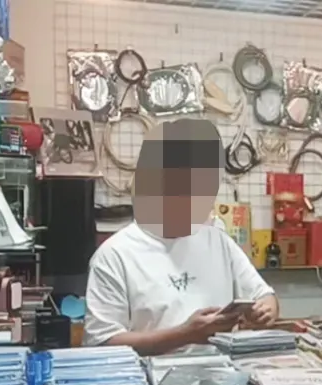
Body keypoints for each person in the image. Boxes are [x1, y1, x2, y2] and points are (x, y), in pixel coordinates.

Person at [85, 119, 279, 356]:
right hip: (151, 377)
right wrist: (185, 334)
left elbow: (264, 295)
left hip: (221, 373)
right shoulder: (113, 255)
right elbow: (103, 343)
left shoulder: (217, 240)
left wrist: (266, 310)